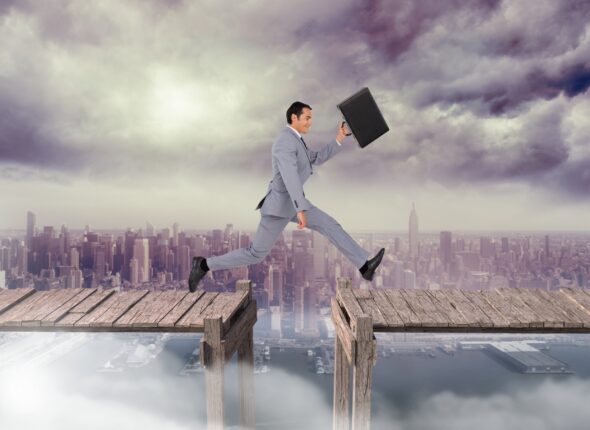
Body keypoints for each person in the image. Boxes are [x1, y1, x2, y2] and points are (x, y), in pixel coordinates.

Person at [188, 101, 385, 292]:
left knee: (329, 224)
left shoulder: (296, 140)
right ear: (294, 117)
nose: (310, 122)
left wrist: (339, 138)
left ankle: (364, 266)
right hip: (281, 205)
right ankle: (204, 265)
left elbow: (314, 159)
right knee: (255, 254)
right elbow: (289, 176)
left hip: (293, 203)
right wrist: (300, 208)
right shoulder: (284, 141)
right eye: (307, 118)